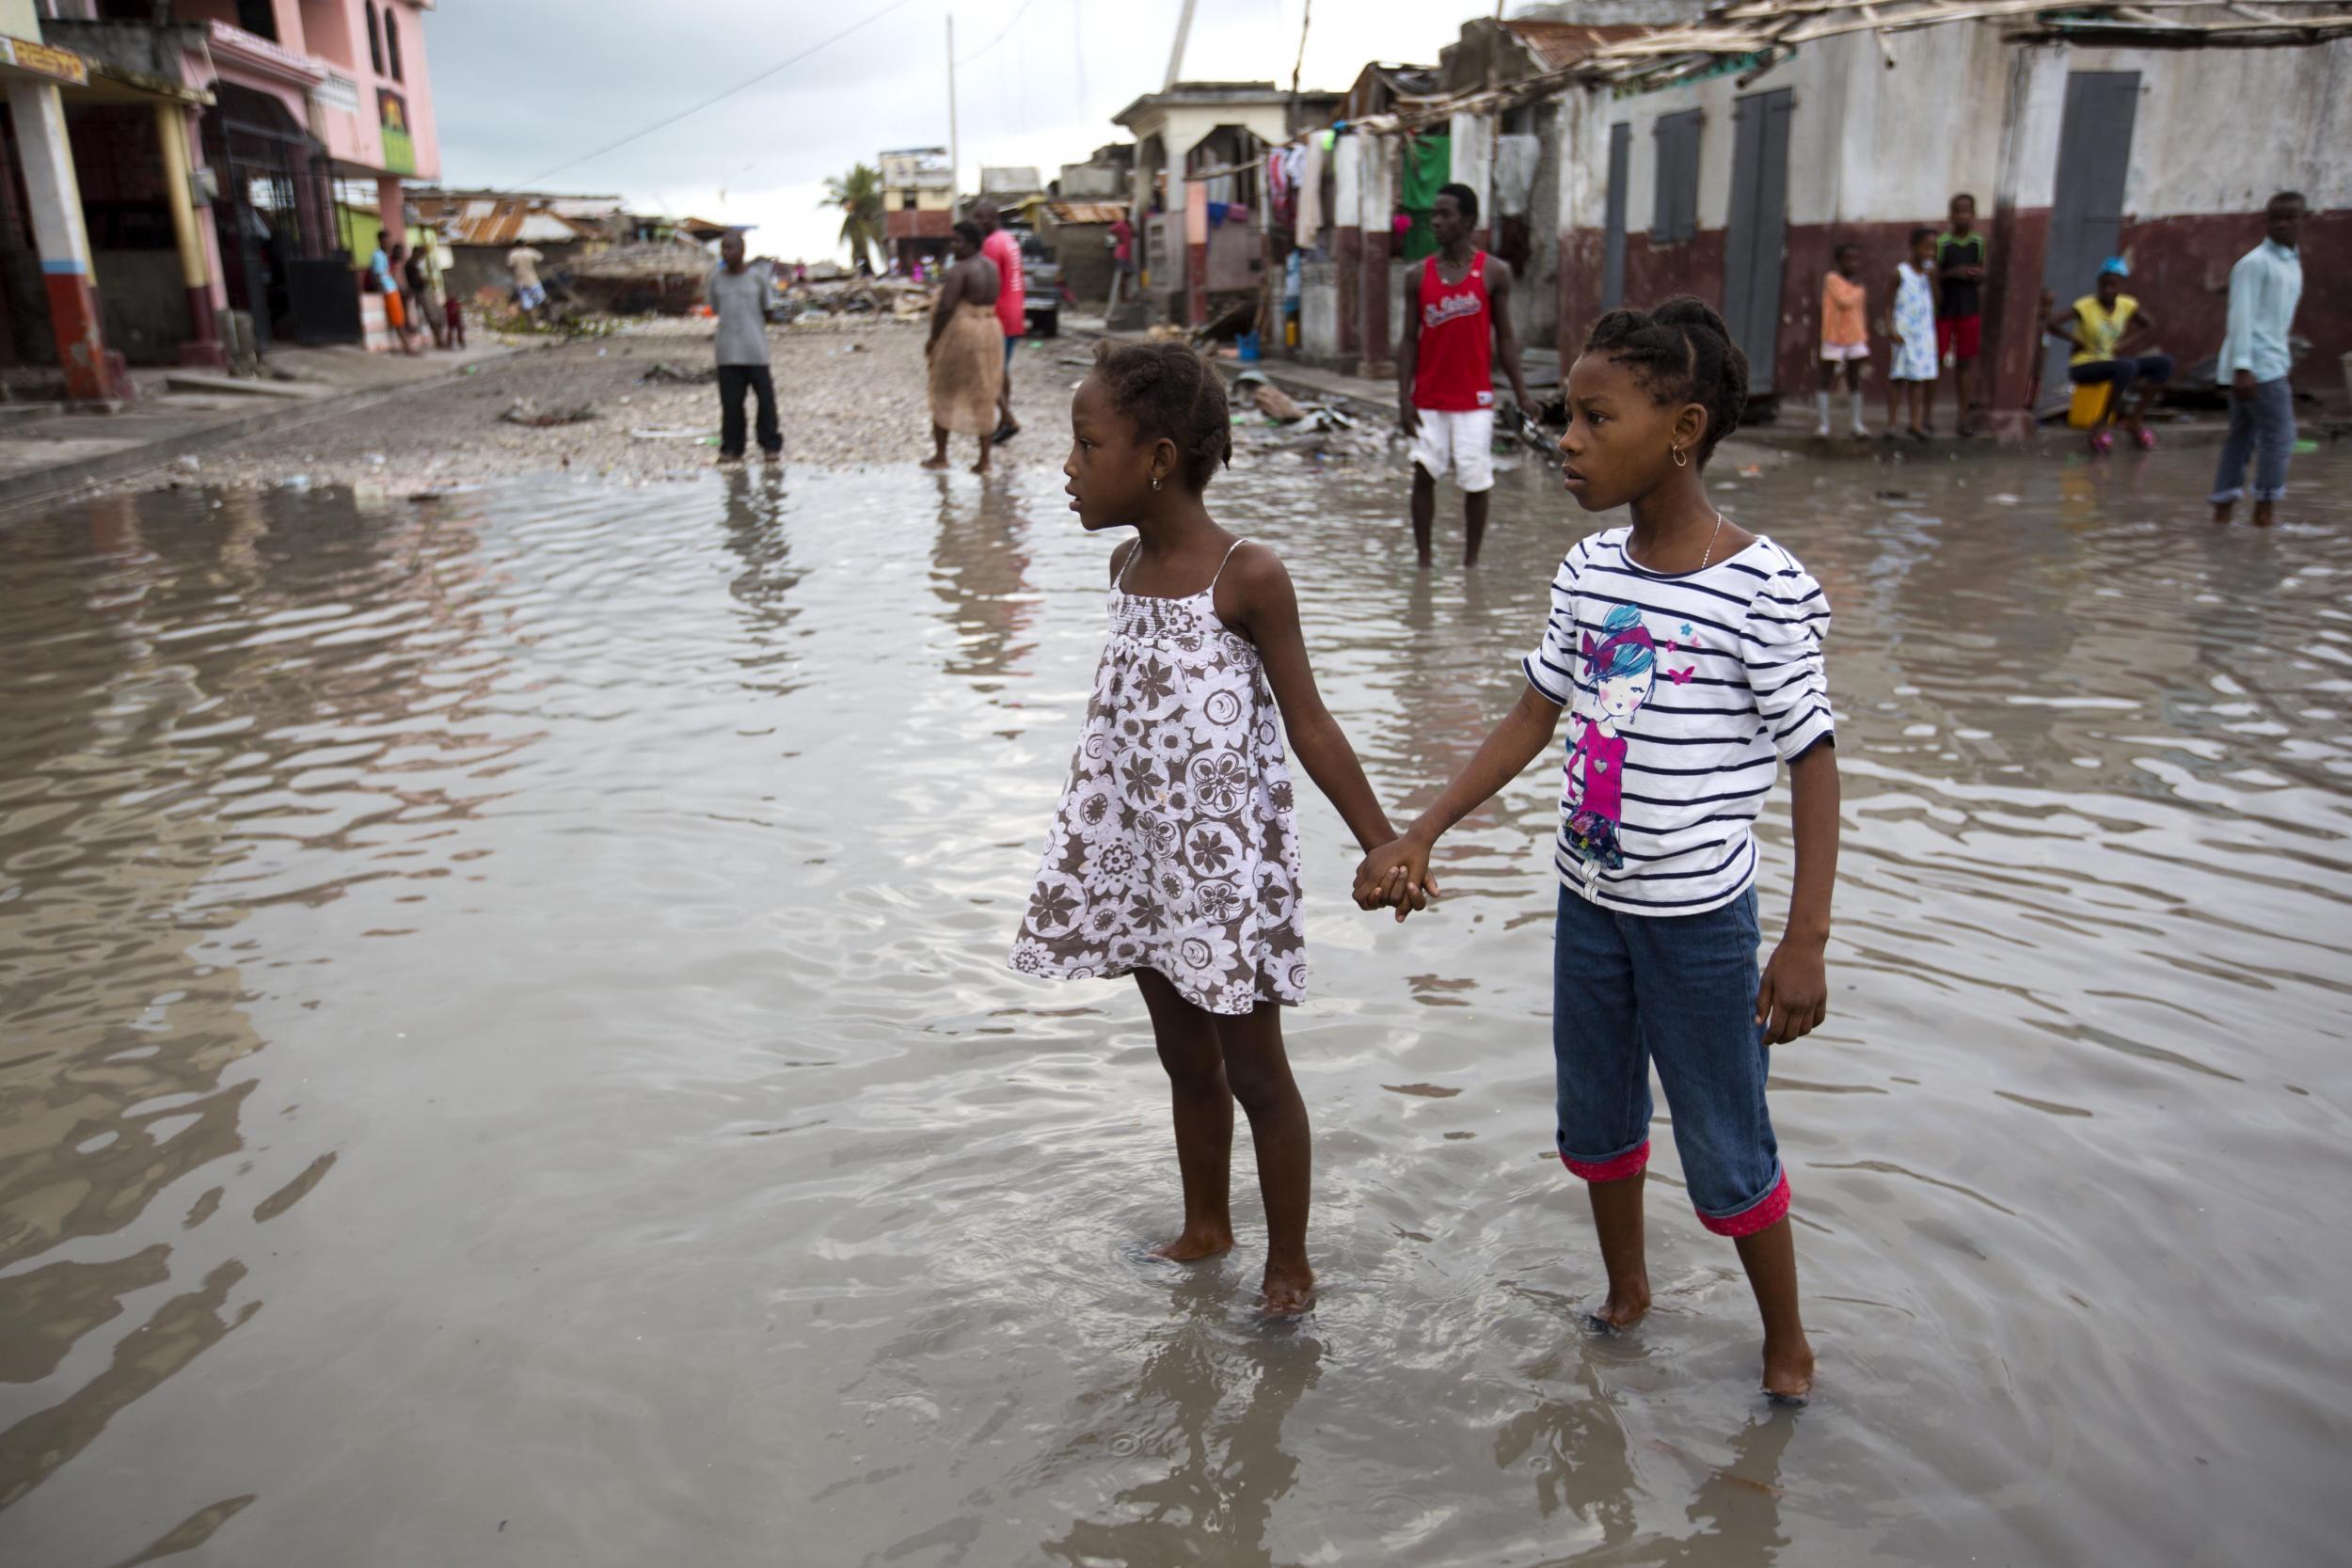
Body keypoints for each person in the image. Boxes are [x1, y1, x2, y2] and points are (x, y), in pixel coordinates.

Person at [1355, 297, 1836, 1404]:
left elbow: (1814, 762)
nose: (1563, 438)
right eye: (1565, 415)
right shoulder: (1588, 571)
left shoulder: (1760, 590)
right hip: (1590, 904)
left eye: (1592, 416)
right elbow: (1535, 714)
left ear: (1681, 428)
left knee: (1725, 1137)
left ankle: (1787, 1341)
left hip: (1702, 925)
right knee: (1599, 1117)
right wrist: (1422, 826)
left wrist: (1804, 940)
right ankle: (1627, 1290)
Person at [1010, 341, 1405, 1318]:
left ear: (1156, 456)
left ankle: (1291, 1265)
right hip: (1142, 855)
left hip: (1220, 871)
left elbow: (1309, 719)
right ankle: (1205, 1226)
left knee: (1257, 1071)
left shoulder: (1247, 574)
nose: (1067, 464)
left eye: (1085, 442)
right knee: (1184, 1059)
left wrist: (1381, 838)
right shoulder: (1125, 563)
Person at [1395, 182, 1534, 569]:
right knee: (1423, 474)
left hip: (1474, 400)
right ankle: (1424, 563)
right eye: (1433, 215)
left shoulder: (1494, 273)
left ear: (1469, 221)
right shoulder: (1416, 276)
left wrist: (1522, 394)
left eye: (1446, 214)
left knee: (1476, 480)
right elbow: (1408, 341)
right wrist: (1403, 398)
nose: (1436, 222)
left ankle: (1470, 565)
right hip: (1429, 399)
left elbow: (1505, 338)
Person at [2210, 191, 2305, 528]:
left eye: (2290, 217)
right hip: (2255, 368)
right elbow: (2241, 318)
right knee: (2281, 437)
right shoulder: (2254, 264)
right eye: (2276, 217)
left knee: (2242, 435)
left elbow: (2276, 322)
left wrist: (2282, 365)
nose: (2282, 224)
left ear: (2302, 220)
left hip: (2271, 364)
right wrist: (2243, 368)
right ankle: (2264, 512)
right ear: (2266, 221)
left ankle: (2222, 511)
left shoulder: (2292, 263)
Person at [2047, 257, 2172, 453]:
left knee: (2163, 363)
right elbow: (2052, 323)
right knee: (2126, 367)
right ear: (2098, 284)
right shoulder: (2085, 305)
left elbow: (2149, 325)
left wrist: (2124, 344)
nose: (2108, 289)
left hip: (2110, 361)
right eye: (2104, 284)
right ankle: (2102, 423)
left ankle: (2135, 419)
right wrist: (2075, 341)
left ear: (2122, 285)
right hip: (2084, 365)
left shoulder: (2127, 304)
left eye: (2113, 285)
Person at [922, 221, 1004, 474]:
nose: (953, 246)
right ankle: (984, 460)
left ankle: (940, 455)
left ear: (970, 243)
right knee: (985, 390)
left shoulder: (961, 269)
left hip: (964, 330)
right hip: (991, 327)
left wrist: (934, 337)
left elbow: (947, 306)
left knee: (943, 388)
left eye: (957, 241)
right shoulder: (990, 267)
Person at [705, 230, 781, 465]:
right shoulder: (716, 280)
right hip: (727, 352)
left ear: (742, 250)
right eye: (723, 249)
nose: (726, 253)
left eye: (731, 248)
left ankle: (770, 446)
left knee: (766, 401)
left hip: (755, 350)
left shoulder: (757, 278)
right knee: (731, 405)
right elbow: (716, 309)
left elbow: (768, 311)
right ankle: (732, 449)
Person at [970, 199, 1026, 445]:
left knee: (988, 370)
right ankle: (1003, 421)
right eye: (976, 217)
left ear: (993, 217)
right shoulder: (1009, 239)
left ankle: (1008, 419)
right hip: (1016, 311)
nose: (979, 222)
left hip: (1000, 314)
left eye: (983, 217)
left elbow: (988, 283)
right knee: (1001, 369)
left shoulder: (991, 244)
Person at [1935, 194, 1988, 435]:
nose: (1962, 216)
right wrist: (1953, 272)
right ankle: (1926, 416)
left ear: (1973, 214)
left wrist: (1978, 275)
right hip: (1945, 308)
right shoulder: (1942, 243)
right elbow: (1934, 276)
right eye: (1957, 211)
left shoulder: (1978, 242)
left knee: (1965, 363)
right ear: (1950, 215)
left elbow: (1982, 270)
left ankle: (1963, 417)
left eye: (1966, 211)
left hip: (1969, 307)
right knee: (1935, 360)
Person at [1884, 227, 1938, 439]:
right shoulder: (1900, 273)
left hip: (1923, 334)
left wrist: (1933, 279)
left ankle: (1915, 422)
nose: (1930, 253)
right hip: (1903, 333)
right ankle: (1892, 422)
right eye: (1926, 247)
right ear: (1914, 247)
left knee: (1918, 379)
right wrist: (1890, 328)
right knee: (1897, 377)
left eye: (1933, 249)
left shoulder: (1929, 275)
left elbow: (1938, 301)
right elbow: (1888, 303)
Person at [1815, 243, 1869, 437]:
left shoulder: (1856, 283)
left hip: (1854, 336)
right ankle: (1823, 424)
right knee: (1826, 377)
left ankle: (1856, 423)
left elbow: (1859, 312)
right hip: (1834, 335)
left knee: (1854, 378)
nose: (1853, 264)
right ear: (1839, 262)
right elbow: (1844, 301)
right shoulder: (1832, 279)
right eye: (1849, 260)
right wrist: (1859, 290)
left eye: (1856, 260)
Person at [383, 243, 422, 355]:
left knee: (405, 320)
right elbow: (390, 278)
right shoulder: (390, 263)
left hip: (399, 294)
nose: (400, 254)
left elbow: (401, 281)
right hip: (393, 293)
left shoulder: (400, 264)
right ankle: (408, 347)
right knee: (399, 321)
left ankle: (410, 345)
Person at [507, 244, 547, 320]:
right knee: (541, 299)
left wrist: (515, 274)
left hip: (521, 282)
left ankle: (533, 320)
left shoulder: (513, 254)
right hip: (532, 280)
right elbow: (542, 259)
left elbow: (509, 266)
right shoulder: (529, 252)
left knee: (528, 303)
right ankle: (542, 317)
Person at [1106, 212, 1136, 309]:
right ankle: (1122, 298)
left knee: (1128, 274)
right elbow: (1110, 230)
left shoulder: (1129, 225)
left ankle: (1124, 296)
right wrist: (1118, 238)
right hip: (1122, 253)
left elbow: (1134, 234)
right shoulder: (1121, 224)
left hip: (1127, 254)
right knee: (1124, 275)